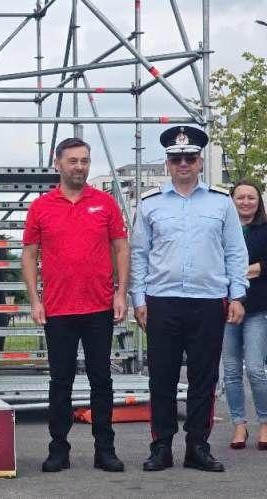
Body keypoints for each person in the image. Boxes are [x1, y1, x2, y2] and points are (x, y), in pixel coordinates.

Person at [130, 126, 248, 472]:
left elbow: (235, 251)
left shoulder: (221, 202)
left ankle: (198, 446)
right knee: (161, 378)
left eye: (190, 158)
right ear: (168, 163)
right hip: (162, 300)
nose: (183, 163)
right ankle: (161, 447)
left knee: (204, 379)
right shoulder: (150, 204)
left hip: (208, 300)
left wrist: (237, 295)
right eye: (176, 158)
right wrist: (139, 299)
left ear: (199, 162)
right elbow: (139, 254)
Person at [21, 137, 129, 473]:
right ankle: (58, 450)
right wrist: (35, 300)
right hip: (58, 309)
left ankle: (105, 450)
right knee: (60, 383)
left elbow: (121, 248)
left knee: (102, 381)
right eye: (73, 161)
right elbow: (29, 255)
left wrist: (121, 293)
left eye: (85, 161)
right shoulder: (41, 207)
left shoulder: (105, 203)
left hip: (99, 307)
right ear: (58, 164)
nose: (80, 167)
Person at [223, 180, 267, 450]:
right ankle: (239, 424)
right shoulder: (224, 228)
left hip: (258, 307)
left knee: (254, 368)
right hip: (226, 307)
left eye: (251, 197)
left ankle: (264, 422)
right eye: (240, 197)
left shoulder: (265, 228)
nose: (246, 202)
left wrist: (244, 270)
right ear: (232, 200)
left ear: (258, 201)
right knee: (230, 371)